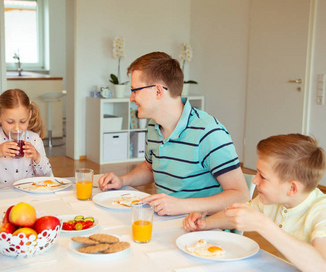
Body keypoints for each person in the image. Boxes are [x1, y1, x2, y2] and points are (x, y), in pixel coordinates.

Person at [183, 134, 326, 272]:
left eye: (263, 176)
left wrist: (262, 224)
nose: (255, 180)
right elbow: (237, 215)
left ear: (292, 188)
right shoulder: (274, 201)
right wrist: (205, 224)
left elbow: (320, 268)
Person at [99, 52, 249, 216]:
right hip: (165, 220)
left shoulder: (209, 132)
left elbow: (241, 196)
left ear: (158, 91)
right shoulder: (153, 126)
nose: (131, 98)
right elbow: (150, 168)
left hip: (201, 231)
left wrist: (182, 206)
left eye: (135, 90)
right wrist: (122, 181)